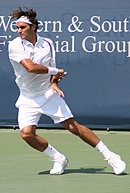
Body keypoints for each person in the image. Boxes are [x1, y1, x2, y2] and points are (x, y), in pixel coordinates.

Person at [8, 7, 126, 175]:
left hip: (48, 93)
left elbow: (52, 66)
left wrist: (54, 83)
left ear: (33, 27)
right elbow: (31, 68)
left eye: (22, 27)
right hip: (28, 97)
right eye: (17, 28)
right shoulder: (14, 45)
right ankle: (58, 158)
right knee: (27, 134)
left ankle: (111, 156)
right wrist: (55, 72)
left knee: (73, 126)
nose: (19, 31)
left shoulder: (47, 43)